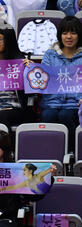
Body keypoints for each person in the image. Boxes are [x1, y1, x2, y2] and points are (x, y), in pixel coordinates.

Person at [39, 16, 82, 152]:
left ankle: (71, 151)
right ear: (60, 35)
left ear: (79, 35)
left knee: (65, 115)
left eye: (73, 33)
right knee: (48, 116)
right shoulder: (50, 55)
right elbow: (43, 80)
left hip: (75, 103)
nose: (69, 37)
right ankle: (49, 152)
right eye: (65, 33)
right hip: (52, 102)